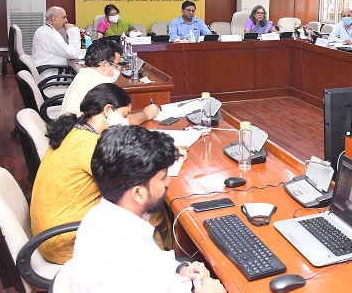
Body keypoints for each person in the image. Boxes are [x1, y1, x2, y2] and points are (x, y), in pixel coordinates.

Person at [72, 125, 226, 293]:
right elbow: (140, 269)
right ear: (138, 193)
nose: (168, 182)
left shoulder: (99, 216)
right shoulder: (127, 265)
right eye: (163, 178)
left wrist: (180, 269)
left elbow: (151, 260)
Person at [30, 84, 170, 263]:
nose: (125, 121)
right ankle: (165, 261)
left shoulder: (75, 132)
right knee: (148, 201)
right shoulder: (90, 145)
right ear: (107, 110)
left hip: (50, 232)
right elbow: (130, 177)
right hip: (64, 242)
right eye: (124, 115)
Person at [60, 38, 159, 124]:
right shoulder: (101, 83)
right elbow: (120, 122)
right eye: (116, 65)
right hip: (81, 133)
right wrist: (145, 114)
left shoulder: (84, 73)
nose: (118, 70)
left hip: (67, 128)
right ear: (104, 65)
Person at [32, 6, 80, 77]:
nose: (66, 20)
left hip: (50, 73)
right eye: (63, 17)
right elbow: (74, 54)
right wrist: (72, 31)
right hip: (52, 76)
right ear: (54, 19)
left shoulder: (43, 29)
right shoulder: (50, 34)